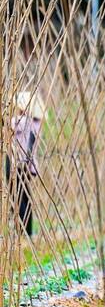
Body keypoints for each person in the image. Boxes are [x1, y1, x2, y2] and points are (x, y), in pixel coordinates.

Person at [5, 92, 45, 236]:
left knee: (16, 196)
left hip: (16, 162)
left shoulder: (21, 121)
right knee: (25, 196)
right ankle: (27, 230)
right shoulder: (37, 123)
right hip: (28, 165)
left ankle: (21, 230)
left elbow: (7, 127)